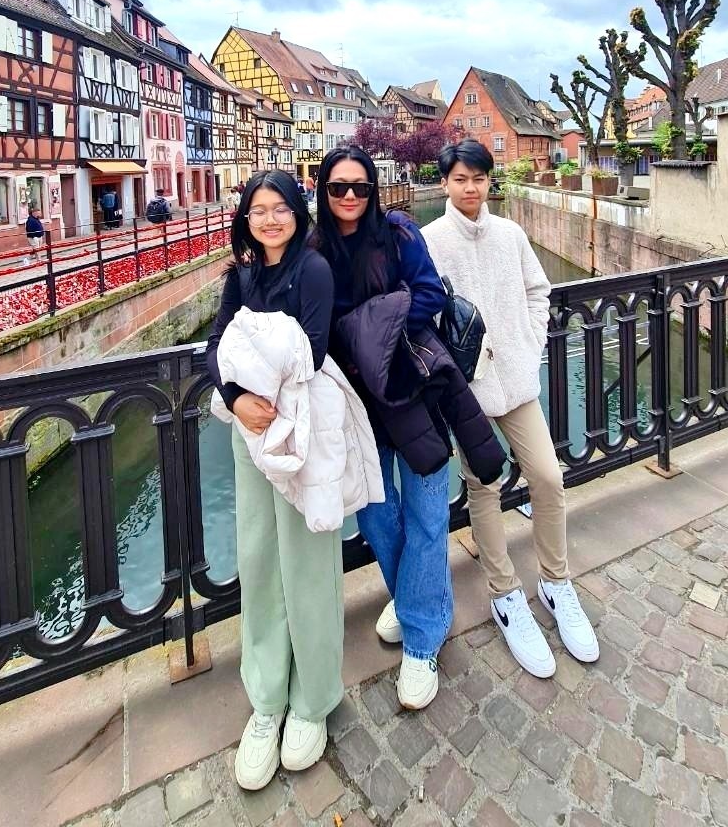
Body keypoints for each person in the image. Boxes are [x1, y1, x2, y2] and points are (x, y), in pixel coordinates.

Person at [312, 146, 504, 710]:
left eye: (360, 187)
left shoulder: (398, 233)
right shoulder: (314, 250)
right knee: (375, 512)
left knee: (426, 511)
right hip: (355, 405)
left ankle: (422, 642)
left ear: (373, 190)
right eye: (338, 188)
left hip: (413, 391)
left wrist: (373, 334)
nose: (350, 197)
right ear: (323, 192)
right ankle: (418, 599)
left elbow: (428, 294)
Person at [422, 139, 599, 675]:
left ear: (488, 181)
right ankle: (505, 593)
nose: (470, 188)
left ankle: (556, 582)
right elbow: (423, 315)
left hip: (516, 381)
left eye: (478, 178)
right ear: (446, 182)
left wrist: (529, 341)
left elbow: (538, 291)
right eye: (460, 179)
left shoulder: (510, 234)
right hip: (467, 390)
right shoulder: (431, 241)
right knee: (485, 487)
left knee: (548, 477)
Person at [204, 170, 348, 791]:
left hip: (300, 434)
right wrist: (236, 398)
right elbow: (214, 348)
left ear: (297, 213)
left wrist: (257, 378)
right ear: (246, 218)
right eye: (258, 210)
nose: (269, 219)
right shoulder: (240, 277)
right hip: (250, 435)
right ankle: (266, 699)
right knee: (260, 559)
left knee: (308, 564)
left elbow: (311, 353)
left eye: (280, 208)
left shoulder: (313, 270)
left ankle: (312, 698)